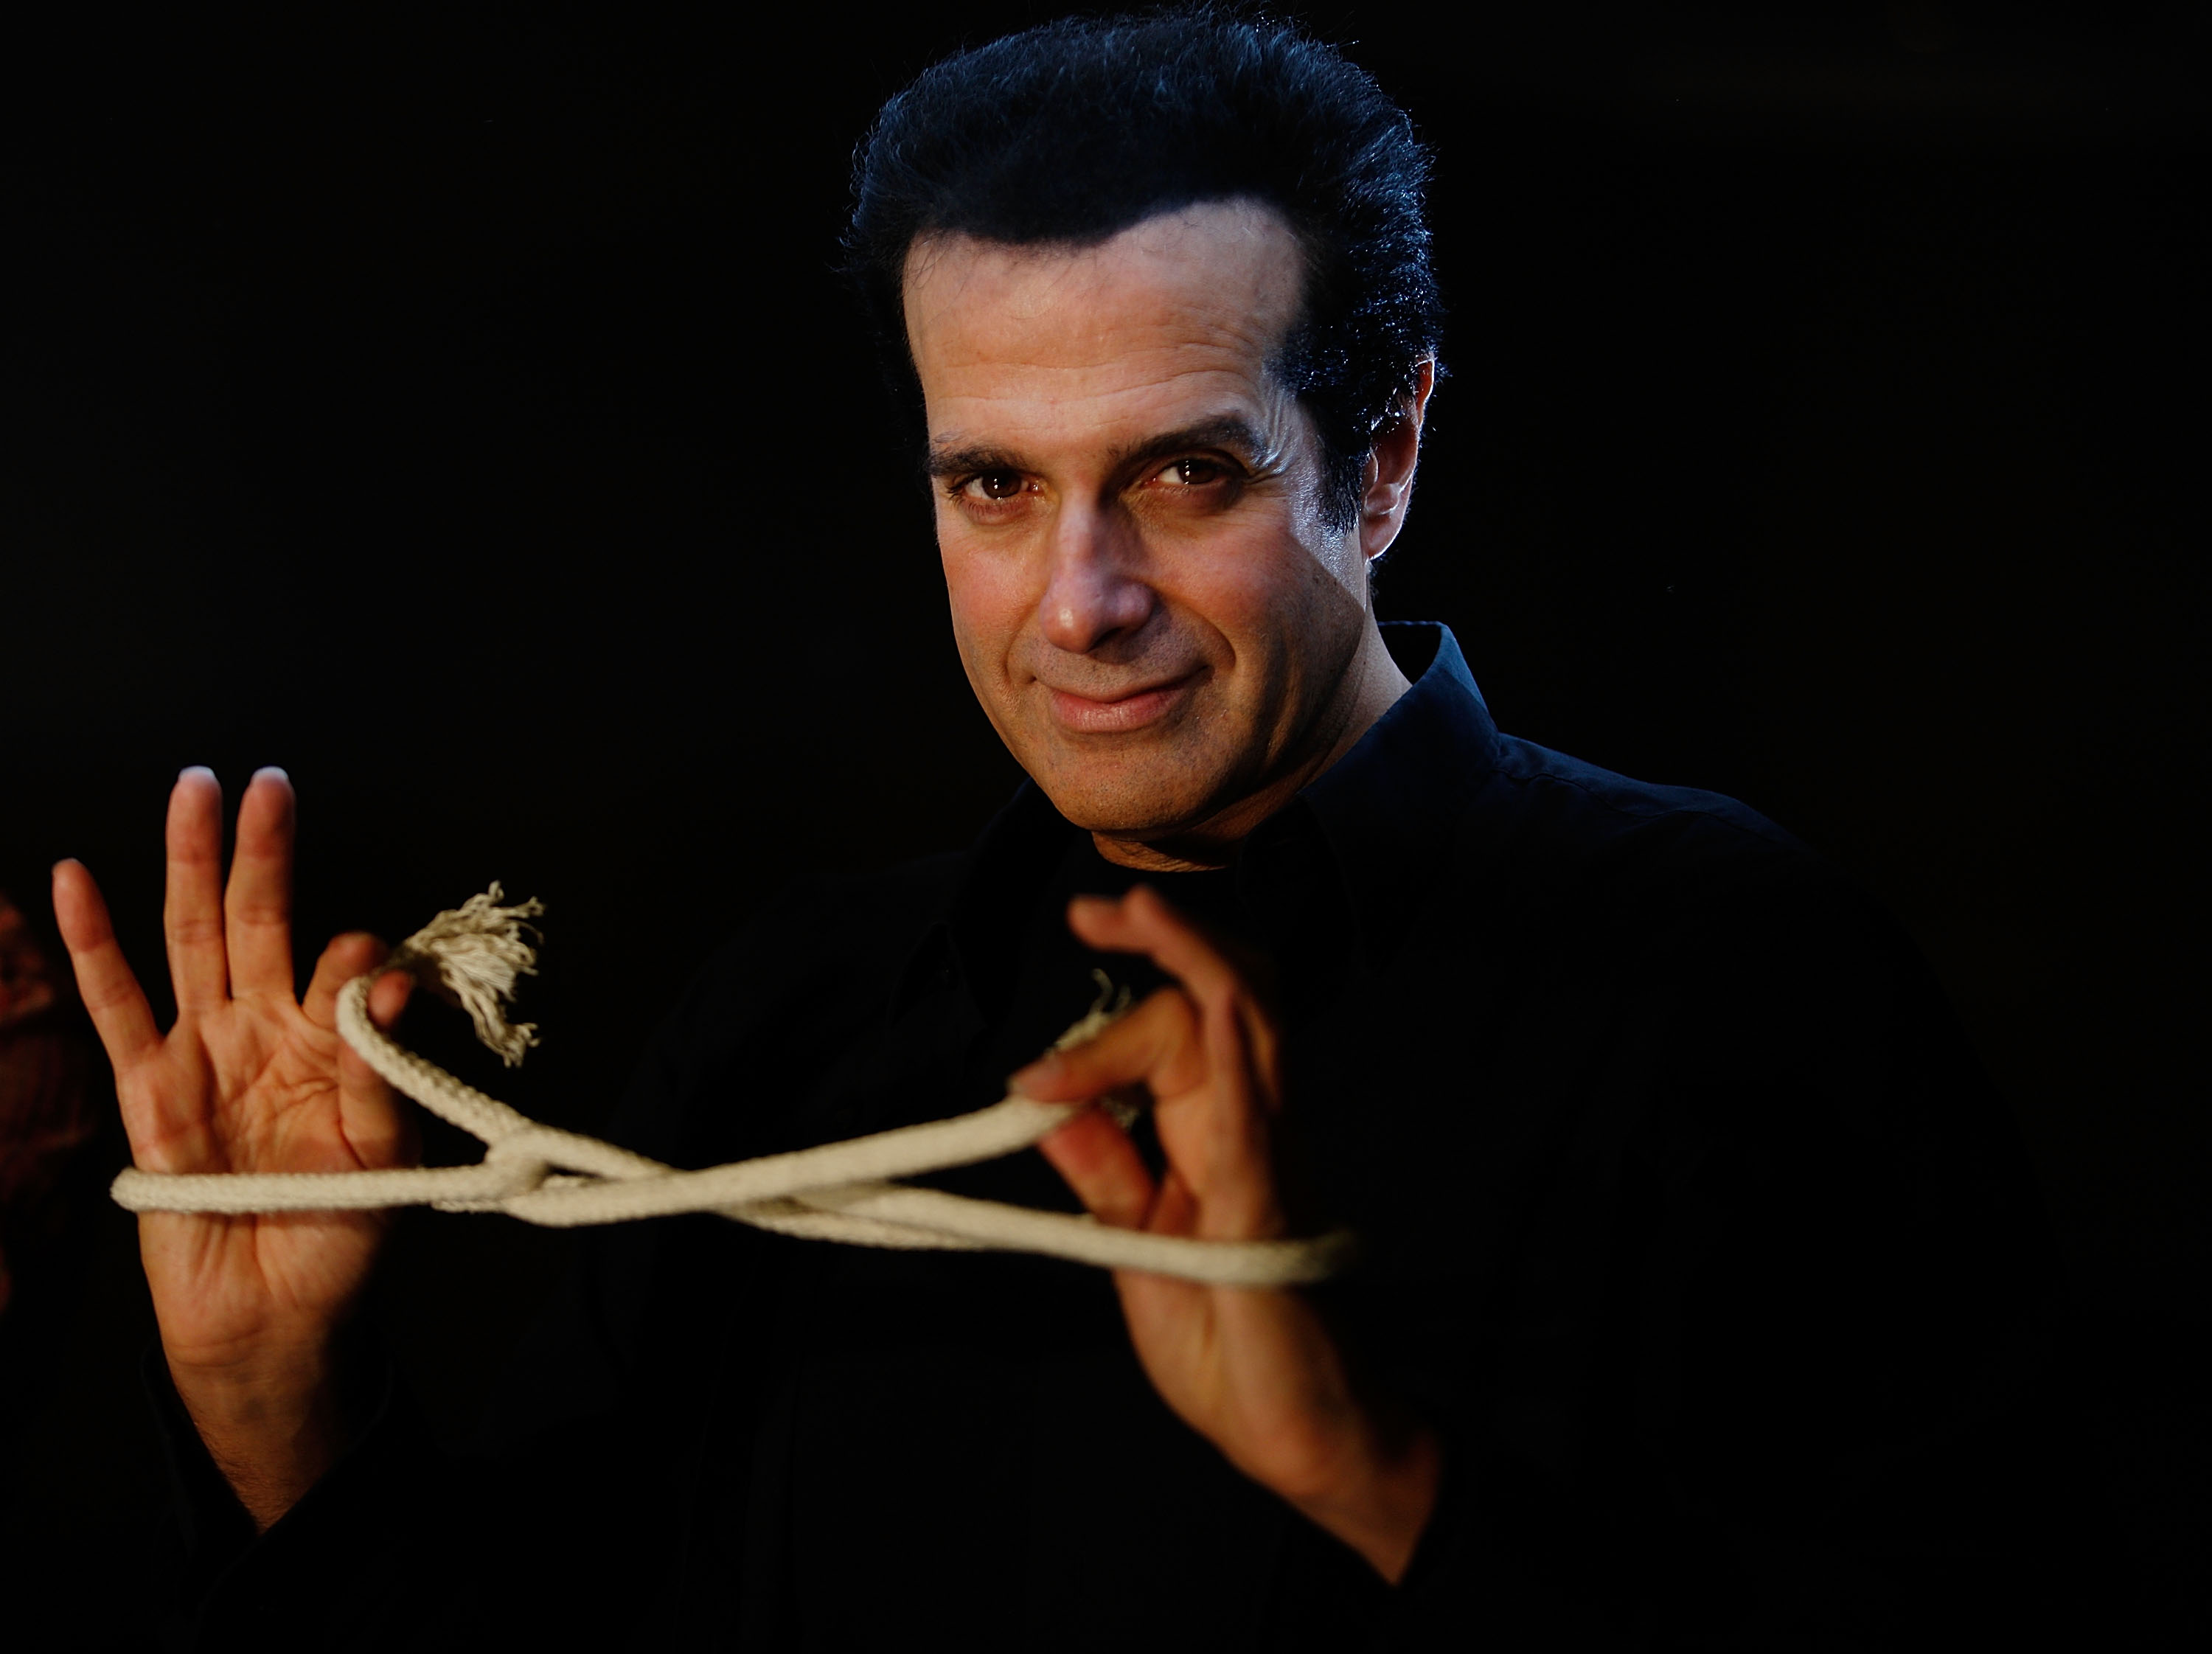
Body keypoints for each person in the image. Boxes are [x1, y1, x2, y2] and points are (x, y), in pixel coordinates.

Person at [50, 13, 2095, 1649]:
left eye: (1187, 475)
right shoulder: (800, 1015)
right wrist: (276, 1409)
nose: (1080, 602)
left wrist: (1374, 1474)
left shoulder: (1733, 973)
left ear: (1383, 459)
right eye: (998, 488)